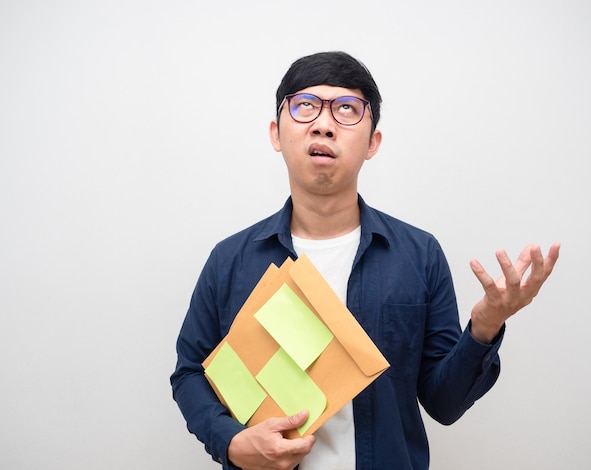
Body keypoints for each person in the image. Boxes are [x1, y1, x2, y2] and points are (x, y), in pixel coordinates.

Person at [170, 51, 560, 470]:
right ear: (276, 134)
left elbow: (444, 404)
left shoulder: (419, 254)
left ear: (373, 142)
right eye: (304, 106)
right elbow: (190, 373)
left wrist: (484, 328)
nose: (323, 124)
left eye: (346, 110)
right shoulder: (230, 260)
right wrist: (230, 442)